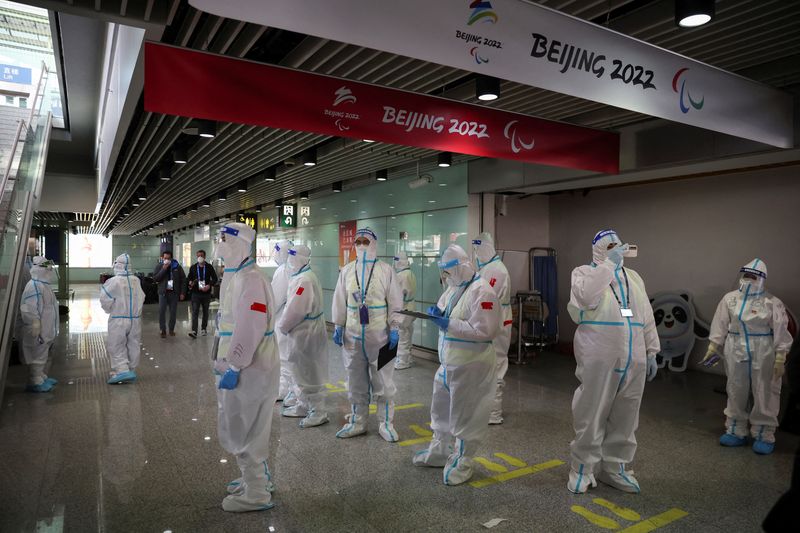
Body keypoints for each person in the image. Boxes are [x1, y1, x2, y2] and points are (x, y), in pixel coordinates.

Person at [566, 229, 659, 494]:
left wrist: (652, 350)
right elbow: (585, 298)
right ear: (598, 250)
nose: (617, 250)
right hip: (599, 355)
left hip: (635, 355)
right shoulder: (584, 273)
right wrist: (608, 265)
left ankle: (615, 468)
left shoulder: (634, 278)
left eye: (618, 246)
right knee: (592, 413)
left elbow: (647, 315)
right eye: (610, 247)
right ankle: (582, 469)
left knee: (627, 415)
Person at [413, 244, 500, 485]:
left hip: (472, 365)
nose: (445, 275)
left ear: (461, 266)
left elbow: (485, 330)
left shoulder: (483, 292)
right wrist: (437, 313)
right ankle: (440, 451)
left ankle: (463, 461)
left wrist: (447, 323)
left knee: (465, 414)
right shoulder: (453, 289)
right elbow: (445, 312)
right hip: (449, 362)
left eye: (449, 270)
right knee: (440, 408)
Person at [212, 222, 280, 512]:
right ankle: (253, 479)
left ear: (241, 243)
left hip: (248, 366)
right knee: (242, 421)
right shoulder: (238, 275)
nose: (220, 244)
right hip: (240, 364)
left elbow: (250, 327)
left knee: (247, 425)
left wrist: (235, 365)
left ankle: (256, 493)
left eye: (225, 239)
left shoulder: (250, 279)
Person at [701, 259, 793, 455]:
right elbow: (720, 323)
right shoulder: (730, 299)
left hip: (763, 348)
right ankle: (735, 430)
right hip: (735, 346)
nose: (749, 279)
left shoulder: (772, 302)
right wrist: (713, 346)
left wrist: (780, 357)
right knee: (735, 388)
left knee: (765, 390)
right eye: (747, 275)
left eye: (754, 276)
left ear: (761, 279)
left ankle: (763, 434)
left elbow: (781, 331)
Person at [331, 227, 402, 441]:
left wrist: (395, 328)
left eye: (366, 240)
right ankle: (358, 421)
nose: (361, 244)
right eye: (358, 241)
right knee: (355, 382)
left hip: (382, 336)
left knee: (384, 382)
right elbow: (339, 299)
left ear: (374, 243)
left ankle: (386, 423)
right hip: (352, 336)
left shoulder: (386, 270)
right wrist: (338, 325)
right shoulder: (347, 270)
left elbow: (396, 302)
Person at [277, 245, 329, 428]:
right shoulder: (300, 276)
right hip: (301, 332)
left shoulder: (305, 280)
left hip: (306, 333)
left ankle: (318, 411)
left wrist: (282, 326)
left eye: (293, 255)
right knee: (300, 371)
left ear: (303, 258)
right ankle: (304, 405)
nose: (290, 258)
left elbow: (296, 309)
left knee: (309, 372)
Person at [473, 232, 513, 425]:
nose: (475, 253)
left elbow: (487, 297)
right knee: (486, 364)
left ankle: (494, 412)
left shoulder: (497, 269)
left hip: (498, 320)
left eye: (478, 248)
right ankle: (486, 408)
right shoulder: (487, 268)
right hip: (489, 319)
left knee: (496, 363)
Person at [100, 253, 146, 384]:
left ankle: (121, 370)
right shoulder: (136, 280)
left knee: (117, 344)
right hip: (135, 319)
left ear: (117, 265)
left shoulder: (114, 281)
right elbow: (142, 297)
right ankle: (131, 369)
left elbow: (105, 299)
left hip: (119, 318)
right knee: (133, 344)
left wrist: (109, 310)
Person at [19, 256, 59, 393]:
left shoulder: (43, 285)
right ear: (40, 270)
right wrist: (34, 322)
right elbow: (29, 308)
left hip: (46, 328)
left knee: (43, 351)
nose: (50, 272)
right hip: (38, 328)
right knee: (37, 353)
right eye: (47, 269)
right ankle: (34, 380)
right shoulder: (34, 285)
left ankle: (40, 375)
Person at [271, 239, 294, 402]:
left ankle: (284, 389)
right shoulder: (294, 268)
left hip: (282, 319)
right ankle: (290, 390)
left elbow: (275, 299)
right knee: (288, 355)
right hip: (291, 319)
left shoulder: (283, 270)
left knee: (283, 356)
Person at [152, 250, 186, 338]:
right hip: (163, 293)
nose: (166, 259)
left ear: (171, 258)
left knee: (173, 312)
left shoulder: (177, 267)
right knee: (162, 312)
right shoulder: (159, 266)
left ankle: (171, 329)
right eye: (165, 258)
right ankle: (162, 330)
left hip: (174, 293)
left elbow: (183, 280)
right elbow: (155, 278)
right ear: (162, 258)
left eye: (168, 258)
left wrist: (182, 292)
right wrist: (164, 269)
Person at [393, 252, 417, 370]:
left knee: (402, 335)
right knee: (408, 332)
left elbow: (401, 294)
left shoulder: (402, 275)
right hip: (410, 307)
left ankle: (402, 361)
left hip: (403, 308)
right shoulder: (410, 273)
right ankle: (408, 357)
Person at [186, 249, 218, 338]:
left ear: (205, 257)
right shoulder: (193, 267)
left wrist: (209, 285)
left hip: (206, 293)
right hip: (195, 293)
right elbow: (189, 278)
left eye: (201, 255)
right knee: (195, 312)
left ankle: (203, 328)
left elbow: (215, 279)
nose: (200, 257)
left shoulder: (209, 267)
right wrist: (190, 282)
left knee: (205, 312)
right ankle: (194, 331)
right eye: (198, 255)